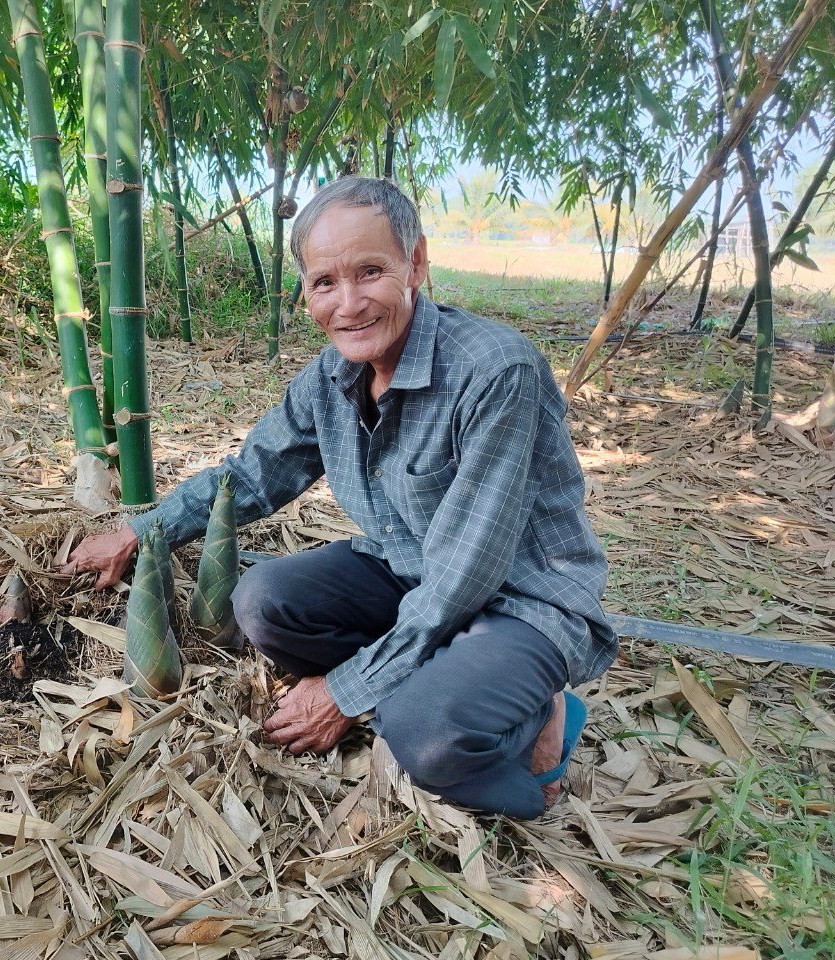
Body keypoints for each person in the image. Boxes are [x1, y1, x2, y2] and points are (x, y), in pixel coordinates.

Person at [63, 177, 615, 819]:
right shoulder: (329, 379)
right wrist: (140, 532)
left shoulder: (496, 370)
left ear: (416, 262)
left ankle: (541, 726)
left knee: (423, 735)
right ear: (306, 293)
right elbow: (250, 476)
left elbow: (470, 572)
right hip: (410, 578)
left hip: (519, 601)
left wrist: (345, 691)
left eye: (371, 271)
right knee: (263, 602)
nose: (348, 303)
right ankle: (454, 677)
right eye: (325, 282)